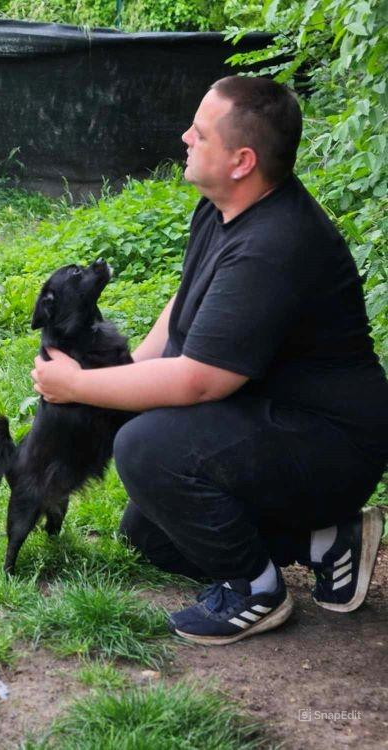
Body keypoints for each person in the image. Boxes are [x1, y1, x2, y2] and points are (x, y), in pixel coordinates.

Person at [29, 75, 388, 646]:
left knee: (146, 448)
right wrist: (113, 376)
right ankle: (327, 540)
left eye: (198, 133)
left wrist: (77, 385)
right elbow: (185, 305)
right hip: (270, 414)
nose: (184, 138)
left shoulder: (274, 246)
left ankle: (255, 591)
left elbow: (197, 382)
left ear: (242, 161)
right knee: (152, 533)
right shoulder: (221, 208)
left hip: (330, 441)